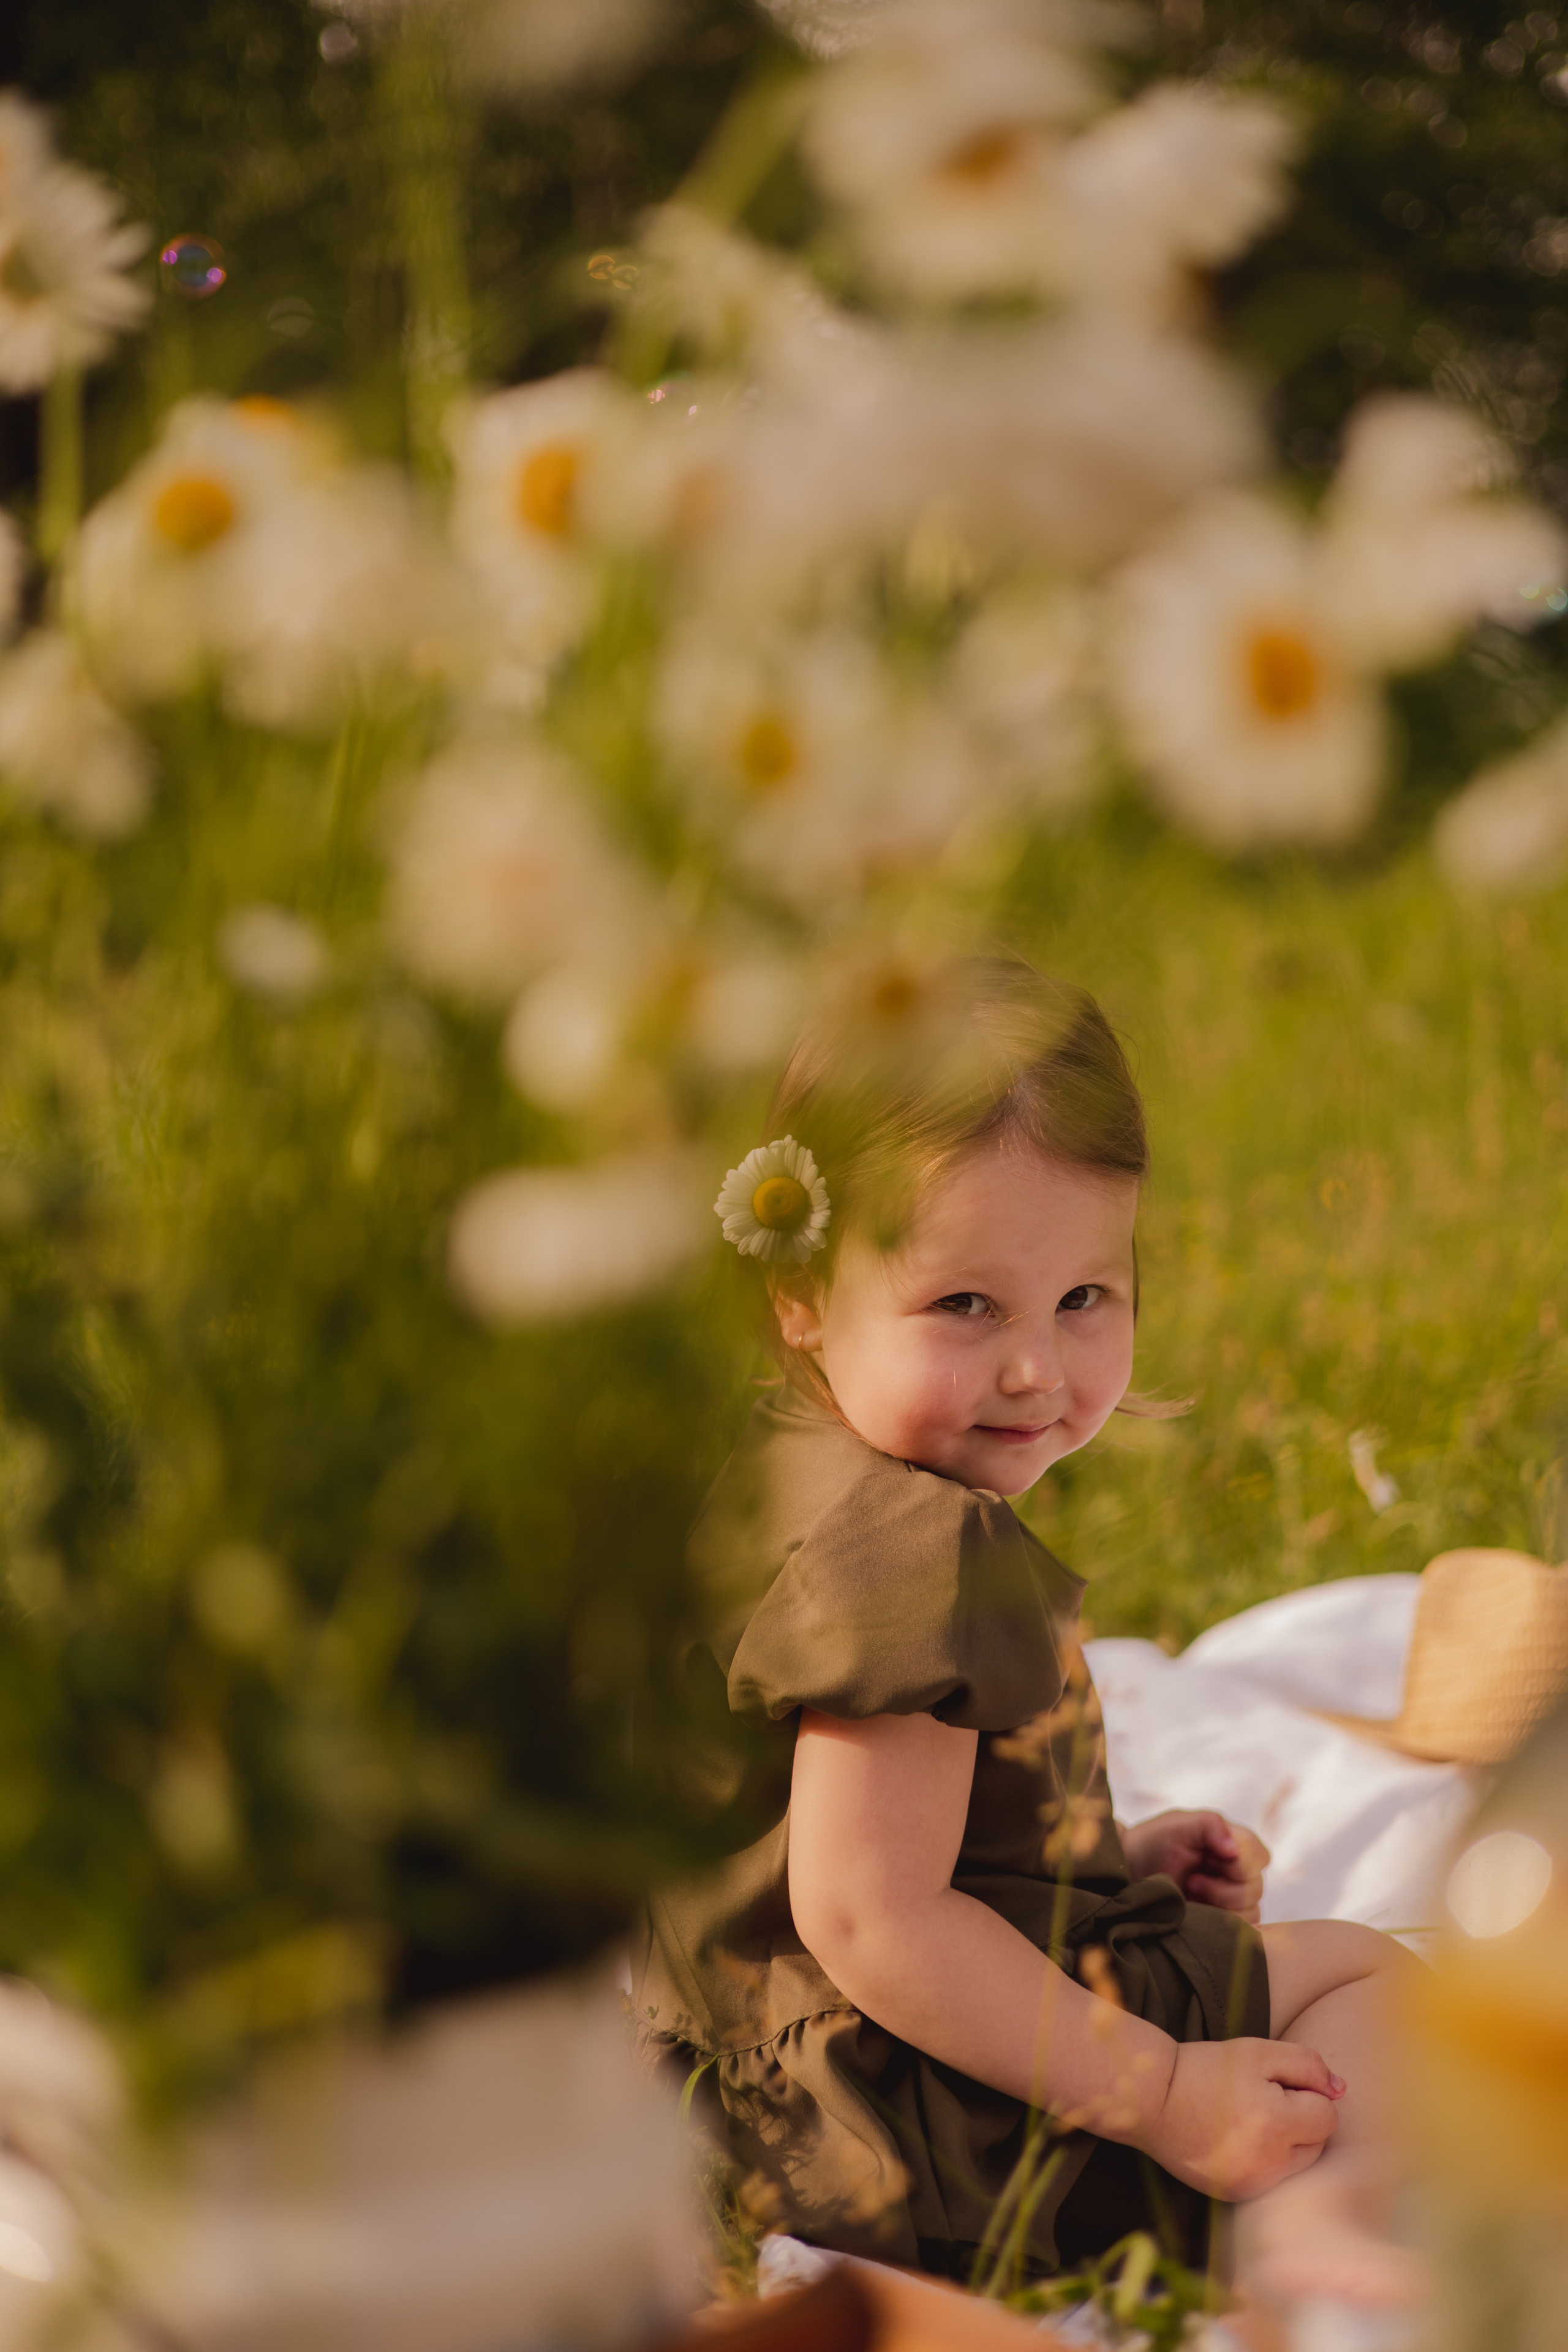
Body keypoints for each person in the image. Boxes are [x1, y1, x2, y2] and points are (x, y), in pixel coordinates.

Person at [633, 954, 1415, 2300]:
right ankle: (1307, 2244)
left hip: (747, 2083)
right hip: (907, 2122)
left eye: (1082, 1301)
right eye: (964, 1304)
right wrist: (1162, 2090)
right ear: (801, 1292)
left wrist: (1097, 1861)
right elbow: (870, 1916)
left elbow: (843, 1842)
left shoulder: (776, 1469)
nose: (1035, 1368)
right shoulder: (926, 1556)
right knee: (1368, 1981)